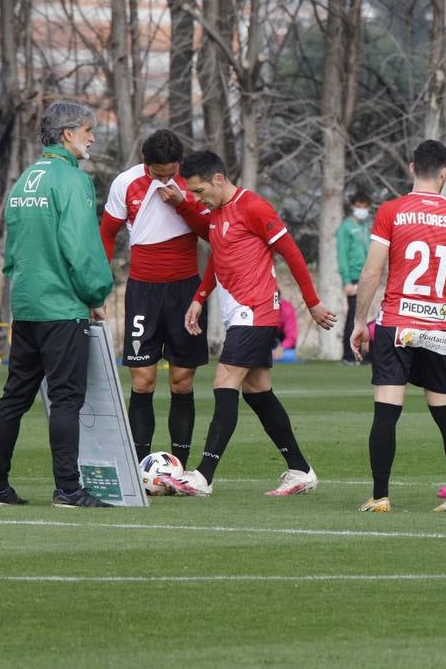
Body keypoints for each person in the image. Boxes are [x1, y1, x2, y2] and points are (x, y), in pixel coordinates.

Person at [162, 150, 338, 497]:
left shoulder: (254, 207)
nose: (196, 198)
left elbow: (292, 252)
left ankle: (204, 475)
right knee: (258, 392)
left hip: (256, 311)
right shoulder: (216, 213)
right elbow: (218, 257)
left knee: (225, 379)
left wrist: (313, 303)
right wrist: (199, 297)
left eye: (198, 191)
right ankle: (301, 469)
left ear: (217, 179)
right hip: (238, 314)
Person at [348, 140, 446, 514]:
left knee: (386, 412)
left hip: (396, 325)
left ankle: (380, 496)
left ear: (410, 168)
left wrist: (359, 321)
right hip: (438, 328)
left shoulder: (391, 211)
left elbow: (372, 270)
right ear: (445, 173)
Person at [0, 101, 115, 508]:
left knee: (14, 398)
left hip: (25, 305)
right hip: (61, 308)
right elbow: (81, 247)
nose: (93, 138)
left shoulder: (25, 179)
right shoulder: (71, 181)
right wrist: (95, 294)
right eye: (88, 130)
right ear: (67, 134)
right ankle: (68, 489)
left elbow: (14, 247)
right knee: (66, 399)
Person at [100, 128, 209, 467]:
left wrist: (183, 205)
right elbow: (107, 233)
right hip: (143, 292)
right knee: (143, 381)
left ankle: (179, 466)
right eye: (157, 174)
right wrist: (100, 288)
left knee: (181, 380)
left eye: (170, 173)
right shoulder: (125, 183)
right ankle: (139, 465)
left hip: (184, 291)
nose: (164, 179)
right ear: (146, 164)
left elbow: (211, 231)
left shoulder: (192, 183)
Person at [337, 191, 372, 365]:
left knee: (363, 315)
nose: (362, 210)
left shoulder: (367, 226)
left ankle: (361, 353)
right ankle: (348, 355)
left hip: (367, 277)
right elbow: (342, 255)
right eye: (359, 206)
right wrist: (346, 281)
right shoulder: (346, 227)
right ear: (352, 207)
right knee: (354, 315)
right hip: (353, 276)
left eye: (365, 207)